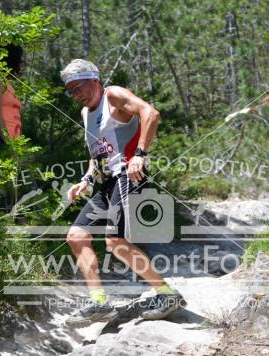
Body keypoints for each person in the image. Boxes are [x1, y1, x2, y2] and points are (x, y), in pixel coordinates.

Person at [60, 59, 186, 327]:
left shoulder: (112, 95)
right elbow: (98, 154)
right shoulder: (85, 114)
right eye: (70, 91)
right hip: (106, 182)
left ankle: (167, 295)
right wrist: (85, 179)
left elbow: (150, 113)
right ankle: (100, 303)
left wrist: (140, 155)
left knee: (114, 243)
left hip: (129, 175)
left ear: (94, 80)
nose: (76, 94)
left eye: (79, 87)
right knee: (76, 236)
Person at [0, 44, 24, 161]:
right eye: (19, 59)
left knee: (22, 179)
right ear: (12, 59)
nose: (21, 62)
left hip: (13, 142)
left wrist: (18, 146)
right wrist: (9, 142)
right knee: (13, 179)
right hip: (0, 139)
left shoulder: (8, 83)